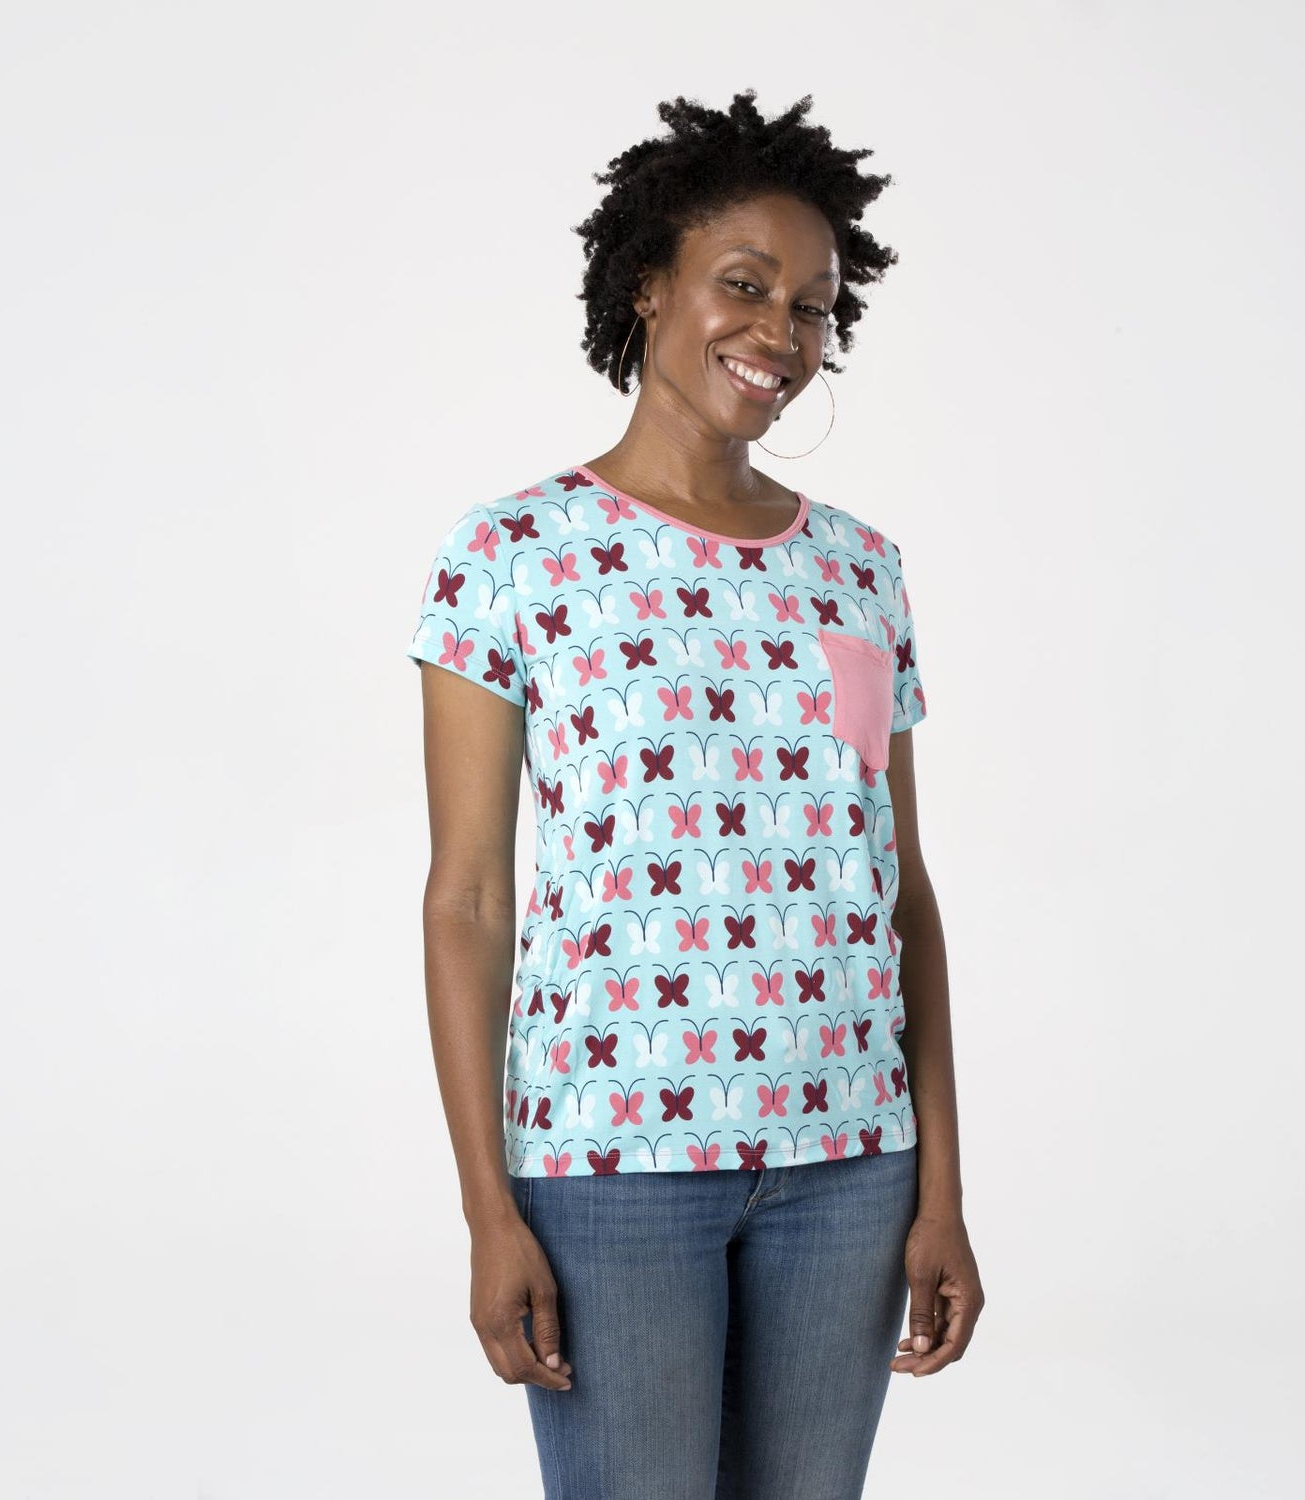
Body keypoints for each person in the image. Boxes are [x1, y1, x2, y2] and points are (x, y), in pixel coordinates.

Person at [405, 89, 983, 1499]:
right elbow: (467, 899)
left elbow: (899, 893)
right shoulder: (514, 555)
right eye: (746, 284)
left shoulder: (861, 569)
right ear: (648, 285)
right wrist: (488, 1210)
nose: (781, 331)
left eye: (812, 306)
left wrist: (941, 1189)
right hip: (611, 1166)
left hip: (852, 1167)